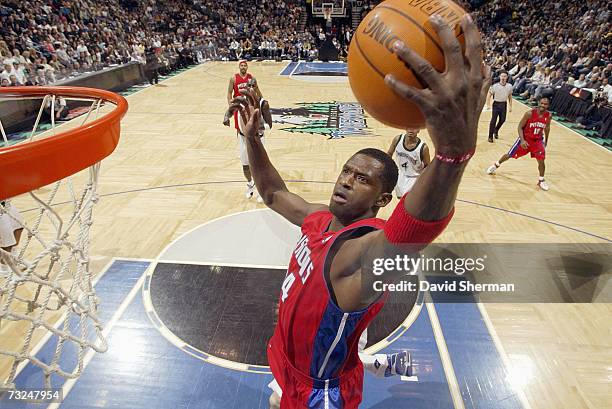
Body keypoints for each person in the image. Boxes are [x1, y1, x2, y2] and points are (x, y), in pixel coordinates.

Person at [232, 14, 489, 409]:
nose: (347, 181)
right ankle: (370, 361)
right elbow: (273, 192)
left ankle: (369, 363)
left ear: (381, 201)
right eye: (347, 171)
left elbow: (408, 236)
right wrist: (253, 140)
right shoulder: (319, 220)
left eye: (363, 179)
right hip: (287, 364)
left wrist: (453, 155)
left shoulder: (361, 251)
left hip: (320, 393)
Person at [486, 96, 552, 191]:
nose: (543, 105)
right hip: (525, 139)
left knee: (541, 160)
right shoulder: (529, 113)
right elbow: (520, 127)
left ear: (548, 105)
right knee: (509, 155)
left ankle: (541, 180)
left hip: (537, 141)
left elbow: (547, 128)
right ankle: (496, 165)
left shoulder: (548, 116)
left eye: (545, 104)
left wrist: (546, 141)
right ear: (538, 103)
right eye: (541, 103)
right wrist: (522, 140)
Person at [224, 78, 272, 203]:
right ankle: (250, 184)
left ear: (256, 87)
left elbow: (269, 124)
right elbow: (229, 111)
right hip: (242, 137)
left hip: (257, 139)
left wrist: (260, 126)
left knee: (260, 167)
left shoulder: (263, 104)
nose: (250, 88)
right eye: (248, 85)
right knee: (245, 166)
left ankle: (262, 190)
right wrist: (226, 117)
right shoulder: (240, 101)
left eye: (253, 85)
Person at [227, 60, 264, 199]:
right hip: (239, 114)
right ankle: (249, 185)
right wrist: (230, 106)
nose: (243, 67)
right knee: (245, 163)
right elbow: (229, 93)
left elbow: (260, 96)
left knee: (258, 163)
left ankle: (260, 188)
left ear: (247, 67)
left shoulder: (251, 78)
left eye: (245, 65)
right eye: (241, 65)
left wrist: (256, 87)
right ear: (239, 67)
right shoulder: (233, 78)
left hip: (253, 122)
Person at [387, 129, 431, 197]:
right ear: (405, 128)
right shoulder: (398, 139)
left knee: (408, 203)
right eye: (409, 127)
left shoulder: (423, 148)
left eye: (414, 128)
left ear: (418, 130)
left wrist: (424, 181)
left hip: (414, 178)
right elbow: (389, 153)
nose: (411, 130)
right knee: (401, 200)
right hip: (400, 175)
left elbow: (427, 166)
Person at [486, 72, 513, 142]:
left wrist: (510, 106)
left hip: (504, 104)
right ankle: (490, 136)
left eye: (505, 76)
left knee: (502, 120)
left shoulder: (509, 86)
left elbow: (510, 96)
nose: (503, 78)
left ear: (507, 77)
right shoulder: (495, 86)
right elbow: (489, 95)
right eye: (502, 76)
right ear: (500, 77)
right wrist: (488, 104)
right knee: (493, 121)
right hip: (496, 104)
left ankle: (496, 129)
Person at [0, 200, 24, 275]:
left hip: (6, 204)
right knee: (6, 243)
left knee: (19, 227)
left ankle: (14, 260)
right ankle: (5, 270)